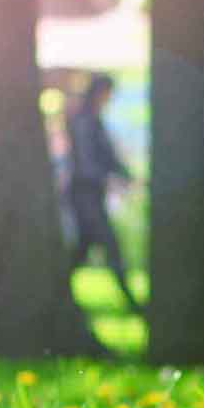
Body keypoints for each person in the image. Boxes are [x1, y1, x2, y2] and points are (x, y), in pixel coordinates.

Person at [63, 73, 144, 315]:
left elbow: (108, 158)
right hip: (85, 196)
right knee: (109, 246)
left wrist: (124, 175)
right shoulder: (85, 121)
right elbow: (87, 163)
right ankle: (131, 302)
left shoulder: (92, 120)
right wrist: (112, 177)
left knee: (81, 252)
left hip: (90, 195)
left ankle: (63, 297)